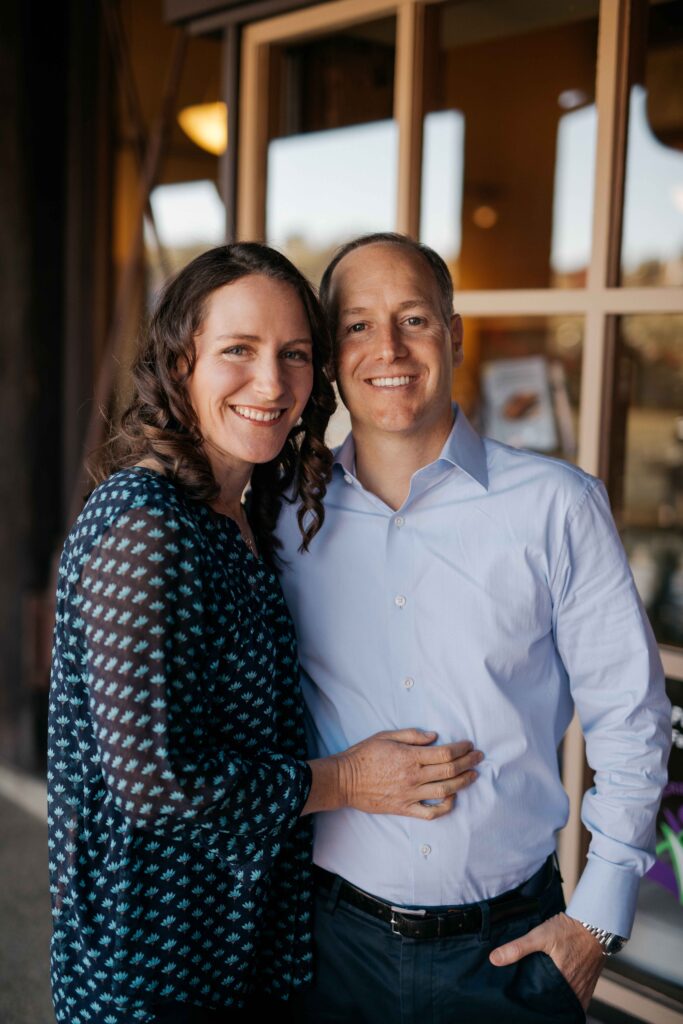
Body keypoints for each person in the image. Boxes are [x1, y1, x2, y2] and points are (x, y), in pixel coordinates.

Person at [47, 243, 480, 1024]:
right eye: (237, 351)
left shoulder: (246, 509)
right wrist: (346, 781)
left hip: (243, 942)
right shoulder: (145, 526)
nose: (271, 383)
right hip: (155, 965)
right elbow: (157, 786)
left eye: (295, 356)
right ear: (180, 362)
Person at [275, 233, 672, 1024]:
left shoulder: (556, 504)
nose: (386, 347)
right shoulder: (284, 514)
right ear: (328, 355)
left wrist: (596, 918)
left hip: (509, 956)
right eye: (356, 325)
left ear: (453, 333)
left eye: (413, 319)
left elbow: (630, 717)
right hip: (325, 948)